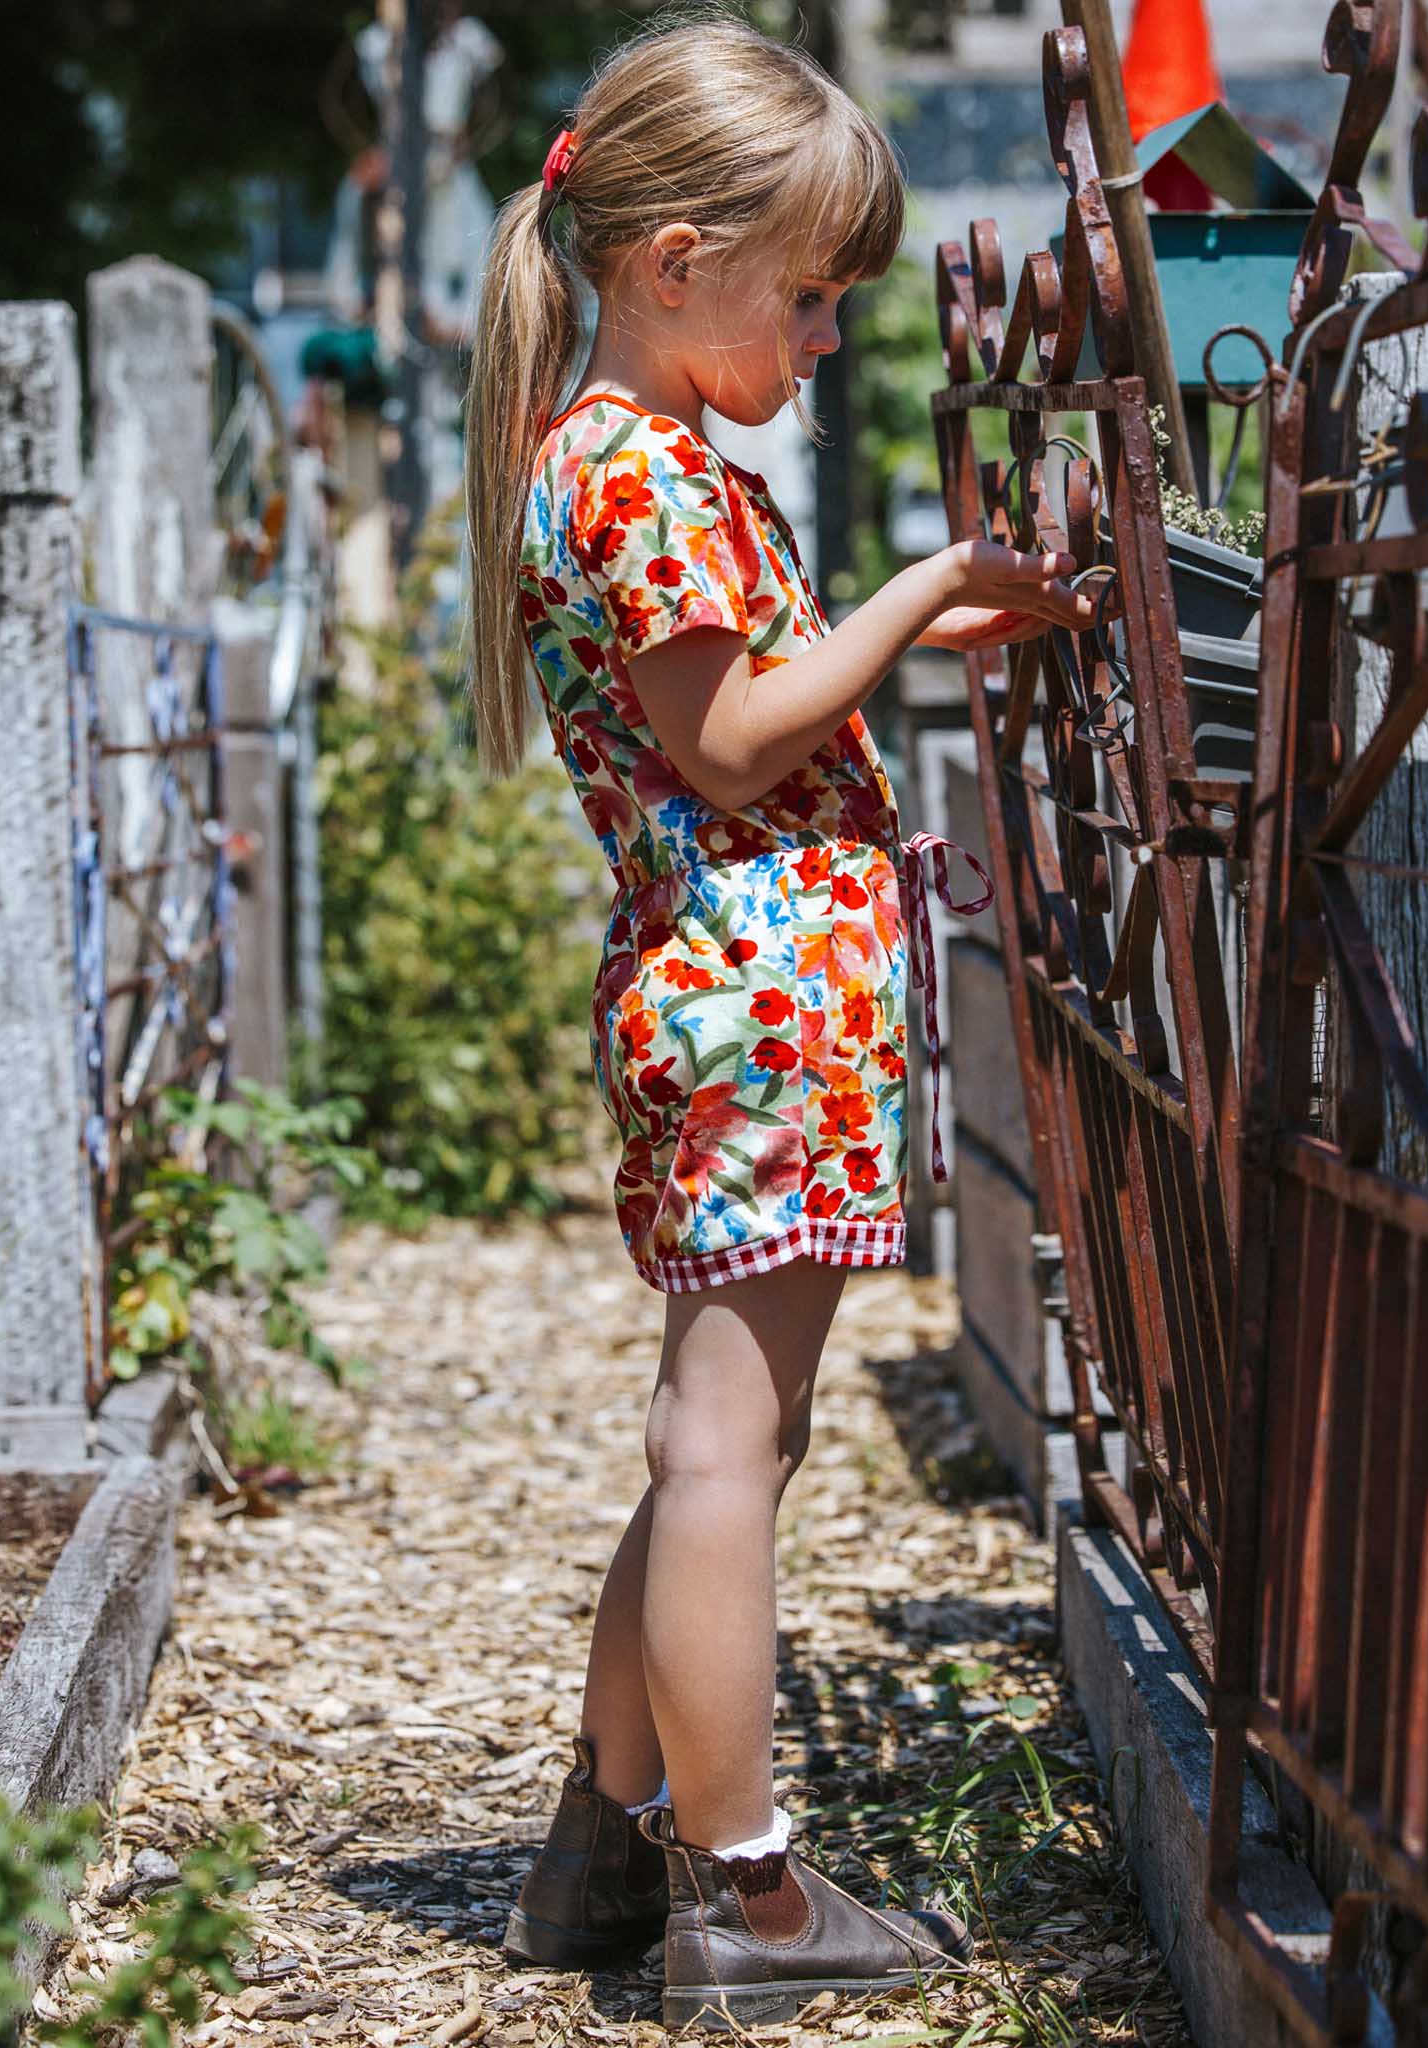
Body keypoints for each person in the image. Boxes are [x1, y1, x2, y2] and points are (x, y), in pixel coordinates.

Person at [463, 14, 1095, 2032]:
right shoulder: (638, 468)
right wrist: (917, 596)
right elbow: (729, 744)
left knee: (726, 1439)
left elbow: (744, 701)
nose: (827, 336)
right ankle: (740, 1895)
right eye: (808, 293)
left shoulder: (629, 455)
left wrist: (910, 619)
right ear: (674, 265)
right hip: (760, 1005)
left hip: (748, 1005)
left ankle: (608, 1826)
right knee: (726, 1444)